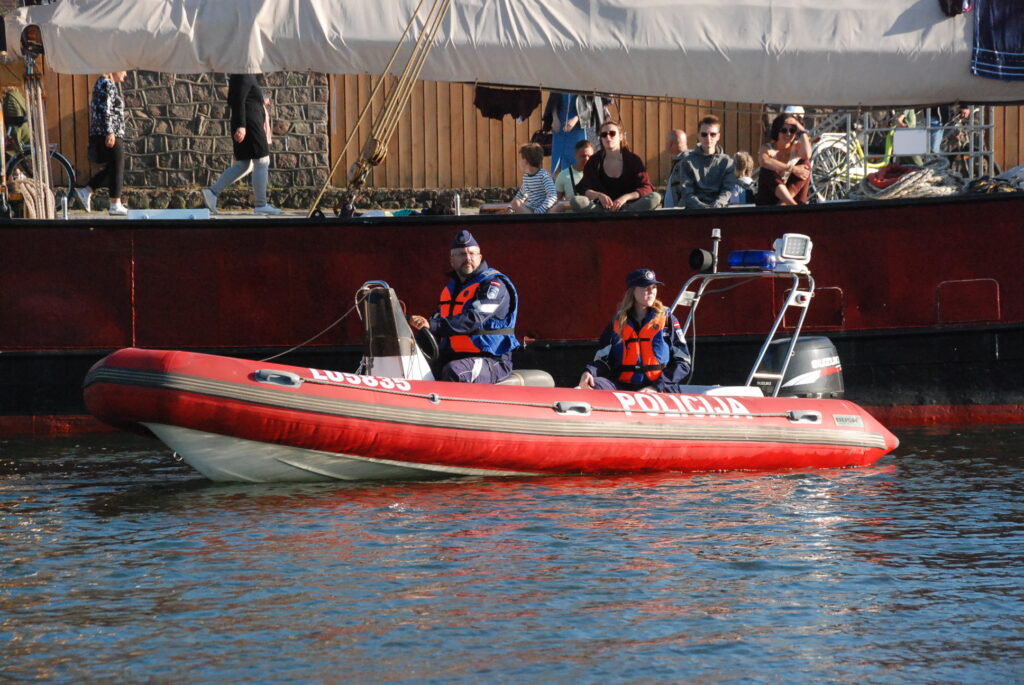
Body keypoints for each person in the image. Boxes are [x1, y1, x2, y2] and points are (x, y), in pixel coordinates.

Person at [408, 230, 520, 384]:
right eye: (461, 254)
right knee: (414, 367)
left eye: (472, 254)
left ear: (479, 258)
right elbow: (438, 320)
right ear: (452, 260)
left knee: (454, 371)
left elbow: (473, 318)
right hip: (455, 355)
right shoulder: (452, 289)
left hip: (491, 359)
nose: (468, 258)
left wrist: (433, 325)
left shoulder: (494, 285)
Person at [578, 269, 691, 393]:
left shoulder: (668, 320)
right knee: (594, 384)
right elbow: (603, 359)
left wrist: (656, 387)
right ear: (632, 291)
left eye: (653, 287)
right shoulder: (617, 322)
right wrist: (589, 371)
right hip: (624, 386)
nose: (651, 292)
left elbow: (683, 362)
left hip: (662, 386)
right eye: (645, 287)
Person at [202, 74, 282, 215]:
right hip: (250, 125)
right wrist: (241, 126)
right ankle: (261, 205)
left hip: (249, 123)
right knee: (262, 160)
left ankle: (213, 192)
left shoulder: (244, 75)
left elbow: (245, 97)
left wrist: (260, 100)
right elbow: (238, 101)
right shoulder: (242, 75)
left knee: (246, 164)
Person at [570, 120, 662, 212]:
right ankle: (604, 214)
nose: (608, 137)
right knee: (576, 201)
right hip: (601, 208)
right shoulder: (594, 161)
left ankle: (625, 211)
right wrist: (599, 195)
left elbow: (646, 187)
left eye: (612, 133)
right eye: (604, 135)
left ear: (621, 136)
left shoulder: (633, 160)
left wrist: (625, 198)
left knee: (655, 197)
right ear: (601, 139)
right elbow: (584, 188)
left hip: (630, 207)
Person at [76, 71, 129, 215]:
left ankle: (87, 191)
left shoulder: (102, 83)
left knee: (113, 167)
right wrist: (110, 131)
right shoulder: (107, 84)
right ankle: (115, 204)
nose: (125, 74)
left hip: (104, 132)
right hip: (110, 133)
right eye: (123, 70)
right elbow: (106, 109)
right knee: (118, 166)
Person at [666, 115, 736, 209]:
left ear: (718, 136)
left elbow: (727, 190)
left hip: (719, 211)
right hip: (693, 213)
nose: (708, 138)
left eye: (713, 134)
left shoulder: (728, 163)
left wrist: (716, 206)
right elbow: (687, 193)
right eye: (704, 134)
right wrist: (704, 208)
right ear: (698, 136)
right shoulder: (687, 162)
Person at [755, 113, 813, 206]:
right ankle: (792, 205)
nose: (788, 133)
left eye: (792, 130)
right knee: (767, 168)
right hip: (769, 201)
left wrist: (801, 130)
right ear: (777, 131)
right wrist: (793, 169)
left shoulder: (797, 147)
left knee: (806, 165)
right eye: (784, 130)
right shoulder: (767, 148)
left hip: (790, 197)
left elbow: (807, 155)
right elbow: (764, 161)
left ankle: (784, 204)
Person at [542, 92, 588, 175]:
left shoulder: (584, 83)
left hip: (578, 127)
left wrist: (576, 118)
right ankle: (558, 183)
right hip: (560, 124)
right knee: (558, 157)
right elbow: (553, 99)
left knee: (577, 154)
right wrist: (554, 118)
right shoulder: (560, 80)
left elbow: (589, 105)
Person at [509, 142, 557, 214]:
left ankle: (534, 220)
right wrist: (510, 207)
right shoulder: (526, 177)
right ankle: (532, 219)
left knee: (559, 206)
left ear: (526, 161)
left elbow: (552, 195)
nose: (519, 161)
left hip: (543, 211)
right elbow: (521, 195)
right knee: (515, 203)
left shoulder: (543, 176)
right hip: (530, 210)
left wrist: (539, 211)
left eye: (520, 158)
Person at [550, 139, 593, 212]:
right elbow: (556, 202)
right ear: (575, 155)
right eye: (583, 156)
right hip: (572, 218)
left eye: (589, 156)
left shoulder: (597, 173)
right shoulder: (563, 175)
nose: (587, 159)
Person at [662, 129, 688, 207]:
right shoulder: (680, 161)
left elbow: (687, 193)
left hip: (679, 216)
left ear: (670, 144)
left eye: (666, 141)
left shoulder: (684, 164)